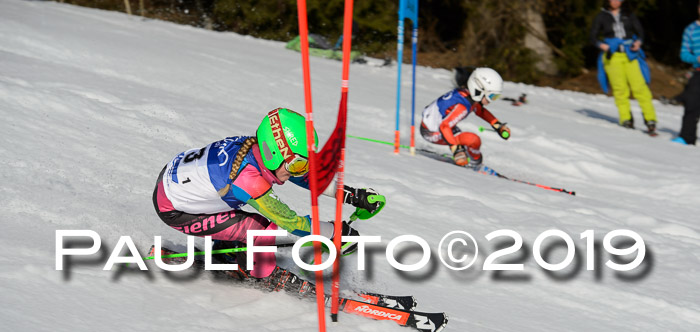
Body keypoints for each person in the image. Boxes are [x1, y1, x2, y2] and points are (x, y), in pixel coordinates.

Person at [152, 108, 383, 286]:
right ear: (274, 154)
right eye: (298, 163)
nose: (301, 171)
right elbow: (289, 221)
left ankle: (229, 247)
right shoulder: (248, 179)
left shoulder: (255, 151)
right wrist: (334, 233)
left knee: (249, 225)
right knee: (261, 230)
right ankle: (262, 274)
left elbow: (302, 177)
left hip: (179, 184)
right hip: (177, 211)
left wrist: (351, 195)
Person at [419, 67, 511, 168]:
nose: (492, 100)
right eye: (492, 96)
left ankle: (470, 157)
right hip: (432, 132)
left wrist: (497, 125)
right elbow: (444, 127)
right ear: (479, 90)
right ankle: (475, 164)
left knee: (466, 138)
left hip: (439, 127)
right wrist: (456, 150)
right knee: (474, 140)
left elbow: (480, 111)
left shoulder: (466, 95)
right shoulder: (463, 106)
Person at [590, 0, 657, 133]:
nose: (616, 2)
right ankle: (626, 118)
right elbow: (593, 36)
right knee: (619, 88)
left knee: (640, 87)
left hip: (630, 55)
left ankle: (650, 119)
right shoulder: (601, 16)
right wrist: (602, 45)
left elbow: (640, 32)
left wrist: (638, 42)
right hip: (613, 56)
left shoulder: (629, 14)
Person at [672, 2, 700, 145]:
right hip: (698, 71)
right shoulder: (690, 29)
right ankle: (687, 137)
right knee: (691, 103)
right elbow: (683, 54)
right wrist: (696, 58)